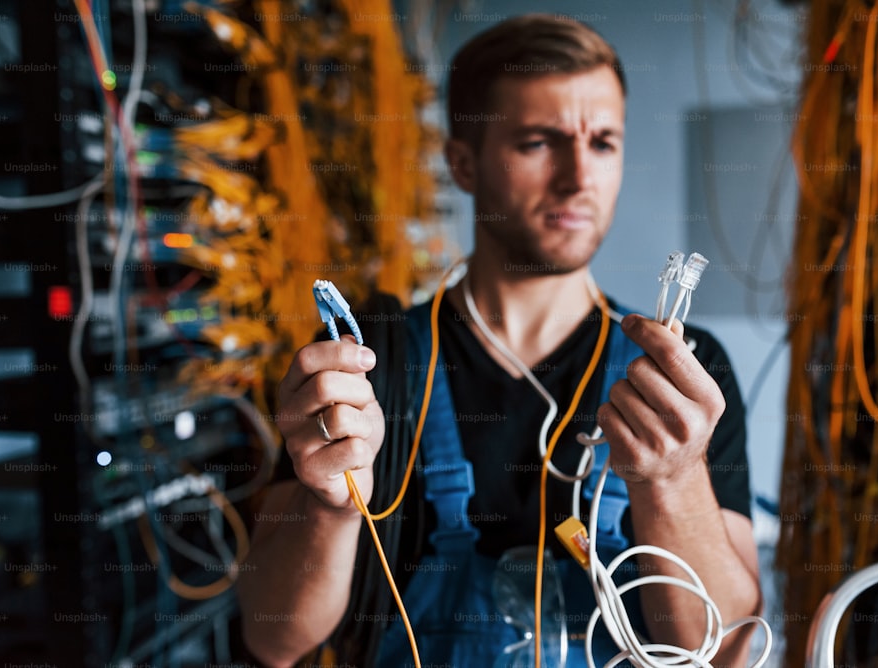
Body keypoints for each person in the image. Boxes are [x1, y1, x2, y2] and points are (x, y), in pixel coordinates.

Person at [237, 13, 762, 668]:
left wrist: (672, 480)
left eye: (603, 142)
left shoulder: (685, 372)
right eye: (539, 142)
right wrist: (330, 508)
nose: (578, 178)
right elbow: (273, 639)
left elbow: (729, 653)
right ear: (463, 162)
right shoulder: (369, 362)